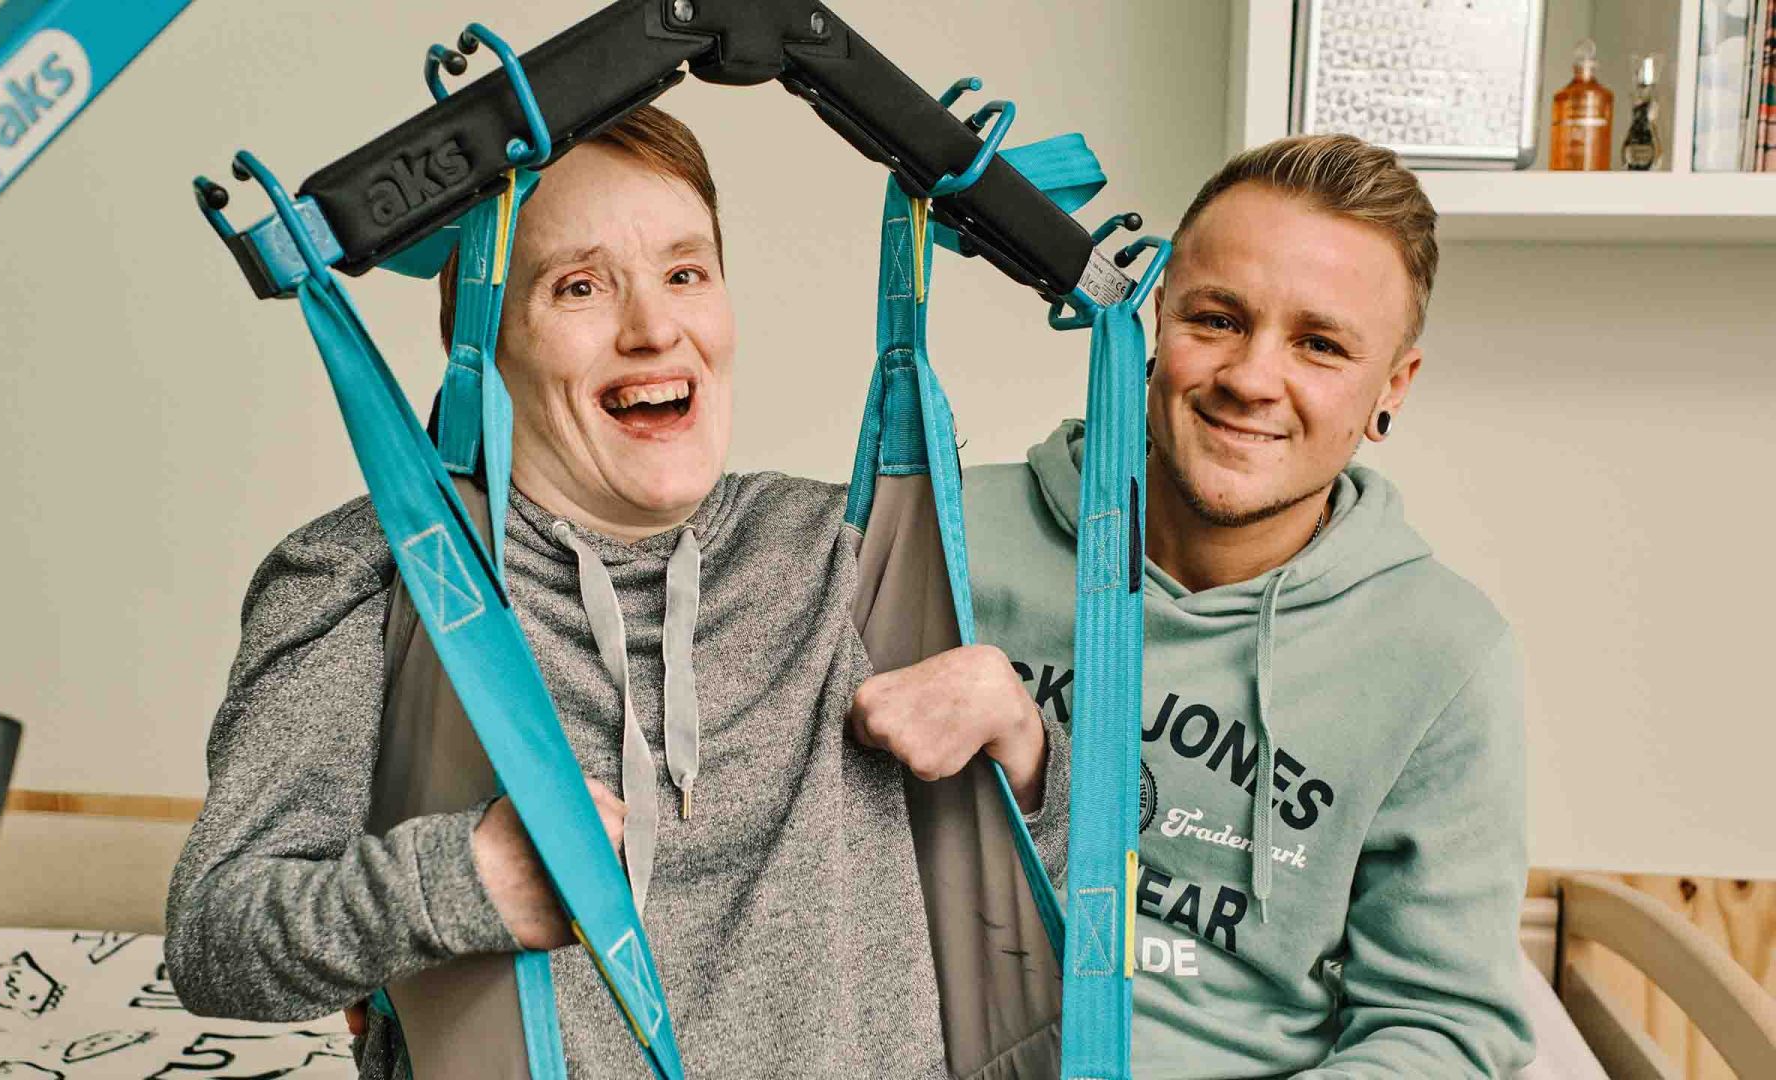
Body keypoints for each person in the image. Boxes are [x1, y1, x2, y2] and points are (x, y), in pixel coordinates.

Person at [164, 106, 1069, 1079]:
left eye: (685, 274)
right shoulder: (373, 575)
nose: (654, 330)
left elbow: (1104, 861)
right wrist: (456, 883)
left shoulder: (844, 554)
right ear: (482, 338)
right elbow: (216, 940)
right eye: (580, 286)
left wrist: (1026, 755)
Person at [964, 133, 1534, 1077]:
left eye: (1320, 345)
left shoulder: (1443, 657)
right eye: (1219, 319)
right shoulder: (950, 531)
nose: (1251, 379)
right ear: (1155, 320)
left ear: (1392, 387)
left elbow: (1443, 1026)